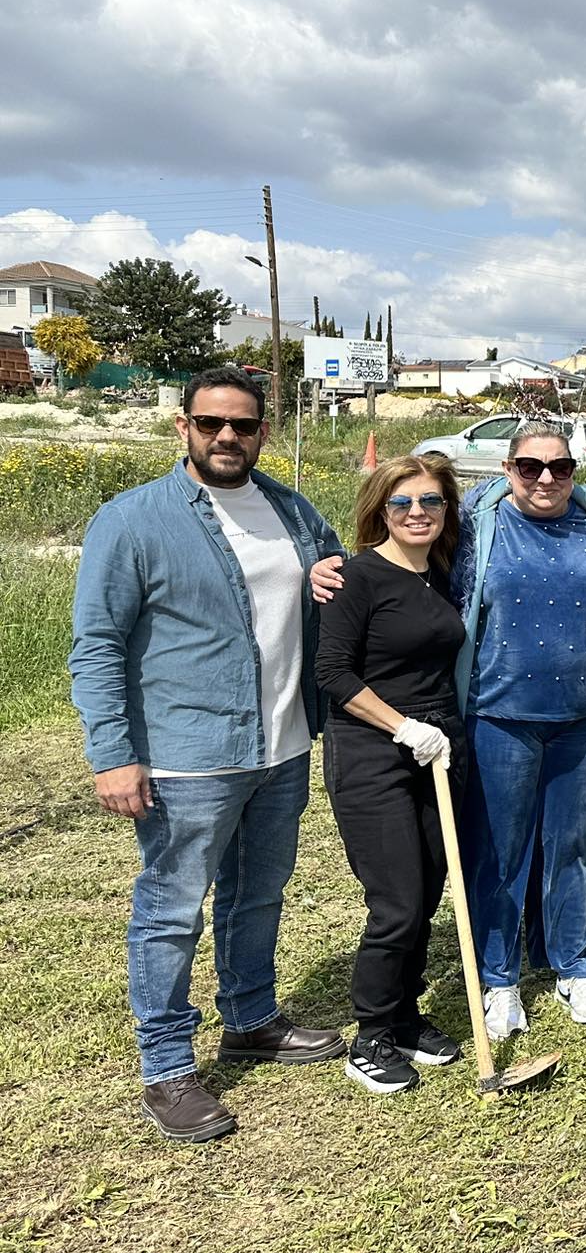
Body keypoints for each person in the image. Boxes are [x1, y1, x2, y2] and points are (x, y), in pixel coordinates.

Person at [69, 365, 347, 1141]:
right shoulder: (132, 521)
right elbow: (96, 645)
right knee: (170, 910)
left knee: (259, 893)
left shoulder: (293, 512)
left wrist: (338, 579)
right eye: (212, 423)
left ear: (262, 431)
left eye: (244, 425)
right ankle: (166, 1069)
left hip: (285, 743)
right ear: (183, 427)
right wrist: (112, 754)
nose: (228, 437)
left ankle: (252, 1017)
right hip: (189, 754)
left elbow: (332, 591)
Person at [450, 421, 586, 1040]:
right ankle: (500, 978)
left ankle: (575, 965)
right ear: (507, 469)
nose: (545, 478)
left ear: (575, 469)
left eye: (559, 467)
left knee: (579, 845)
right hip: (501, 714)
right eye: (531, 466)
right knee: (500, 851)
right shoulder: (476, 531)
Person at [314, 453, 470, 1095]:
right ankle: (371, 1034)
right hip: (374, 750)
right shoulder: (354, 578)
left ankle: (405, 1015)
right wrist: (402, 726)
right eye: (402, 502)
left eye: (430, 502)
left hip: (437, 749)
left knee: (430, 886)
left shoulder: (439, 575)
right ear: (379, 508)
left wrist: (432, 734)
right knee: (398, 900)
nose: (416, 513)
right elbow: (334, 673)